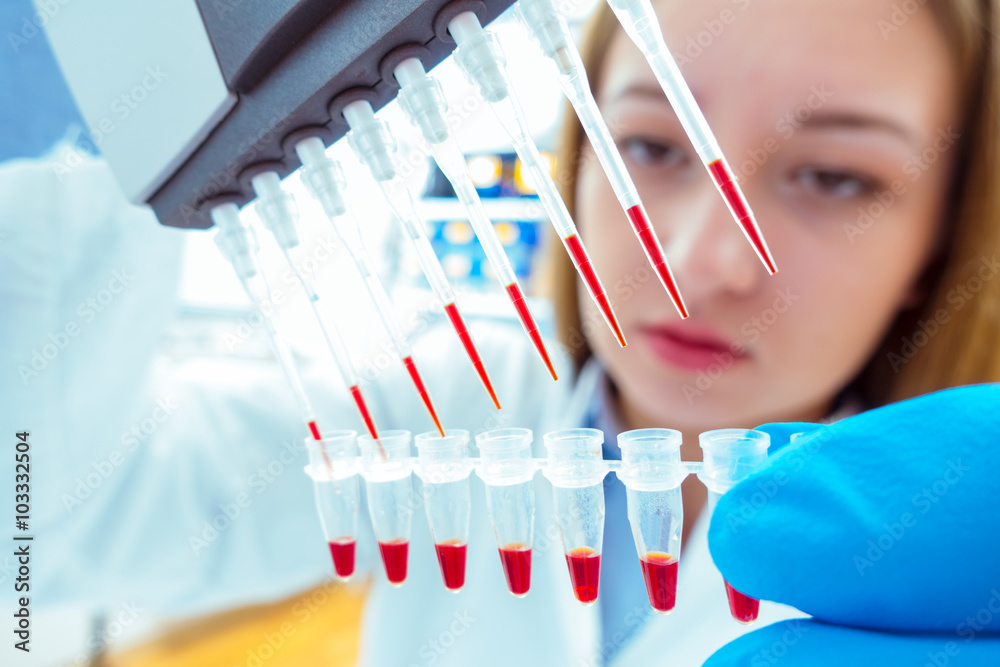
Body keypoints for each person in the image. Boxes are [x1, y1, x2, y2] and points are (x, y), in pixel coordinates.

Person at [5, 0, 999, 665]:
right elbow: (43, 536)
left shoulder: (962, 535)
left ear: (941, 232)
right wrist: (89, 123)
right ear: (575, 164)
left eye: (833, 177)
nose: (699, 261)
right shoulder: (434, 429)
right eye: (646, 145)